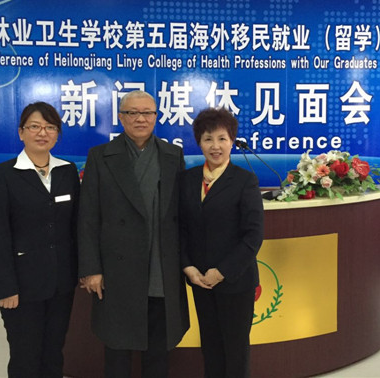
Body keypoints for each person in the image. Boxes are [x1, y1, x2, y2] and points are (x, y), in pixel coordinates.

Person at [78, 90, 189, 378]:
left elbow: (181, 215)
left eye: (147, 113)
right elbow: (88, 217)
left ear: (156, 117)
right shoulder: (101, 156)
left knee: (158, 349)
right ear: (121, 117)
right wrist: (91, 269)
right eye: (132, 113)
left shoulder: (172, 155)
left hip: (160, 267)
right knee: (117, 348)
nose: (140, 118)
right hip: (116, 269)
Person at [0, 102, 80, 378]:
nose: (43, 133)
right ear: (21, 132)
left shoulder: (67, 170)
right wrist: (6, 288)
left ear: (57, 134)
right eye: (35, 126)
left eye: (50, 127)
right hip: (22, 285)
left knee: (54, 351)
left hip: (62, 282)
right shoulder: (3, 174)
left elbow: (76, 226)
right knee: (25, 355)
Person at [179, 107, 264, 378]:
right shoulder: (187, 180)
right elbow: (180, 228)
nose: (215, 146)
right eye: (208, 139)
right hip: (200, 280)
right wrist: (188, 267)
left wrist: (222, 271)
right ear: (199, 142)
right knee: (211, 347)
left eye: (222, 139)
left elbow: (253, 236)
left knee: (235, 350)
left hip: (235, 281)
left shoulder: (245, 180)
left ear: (232, 142)